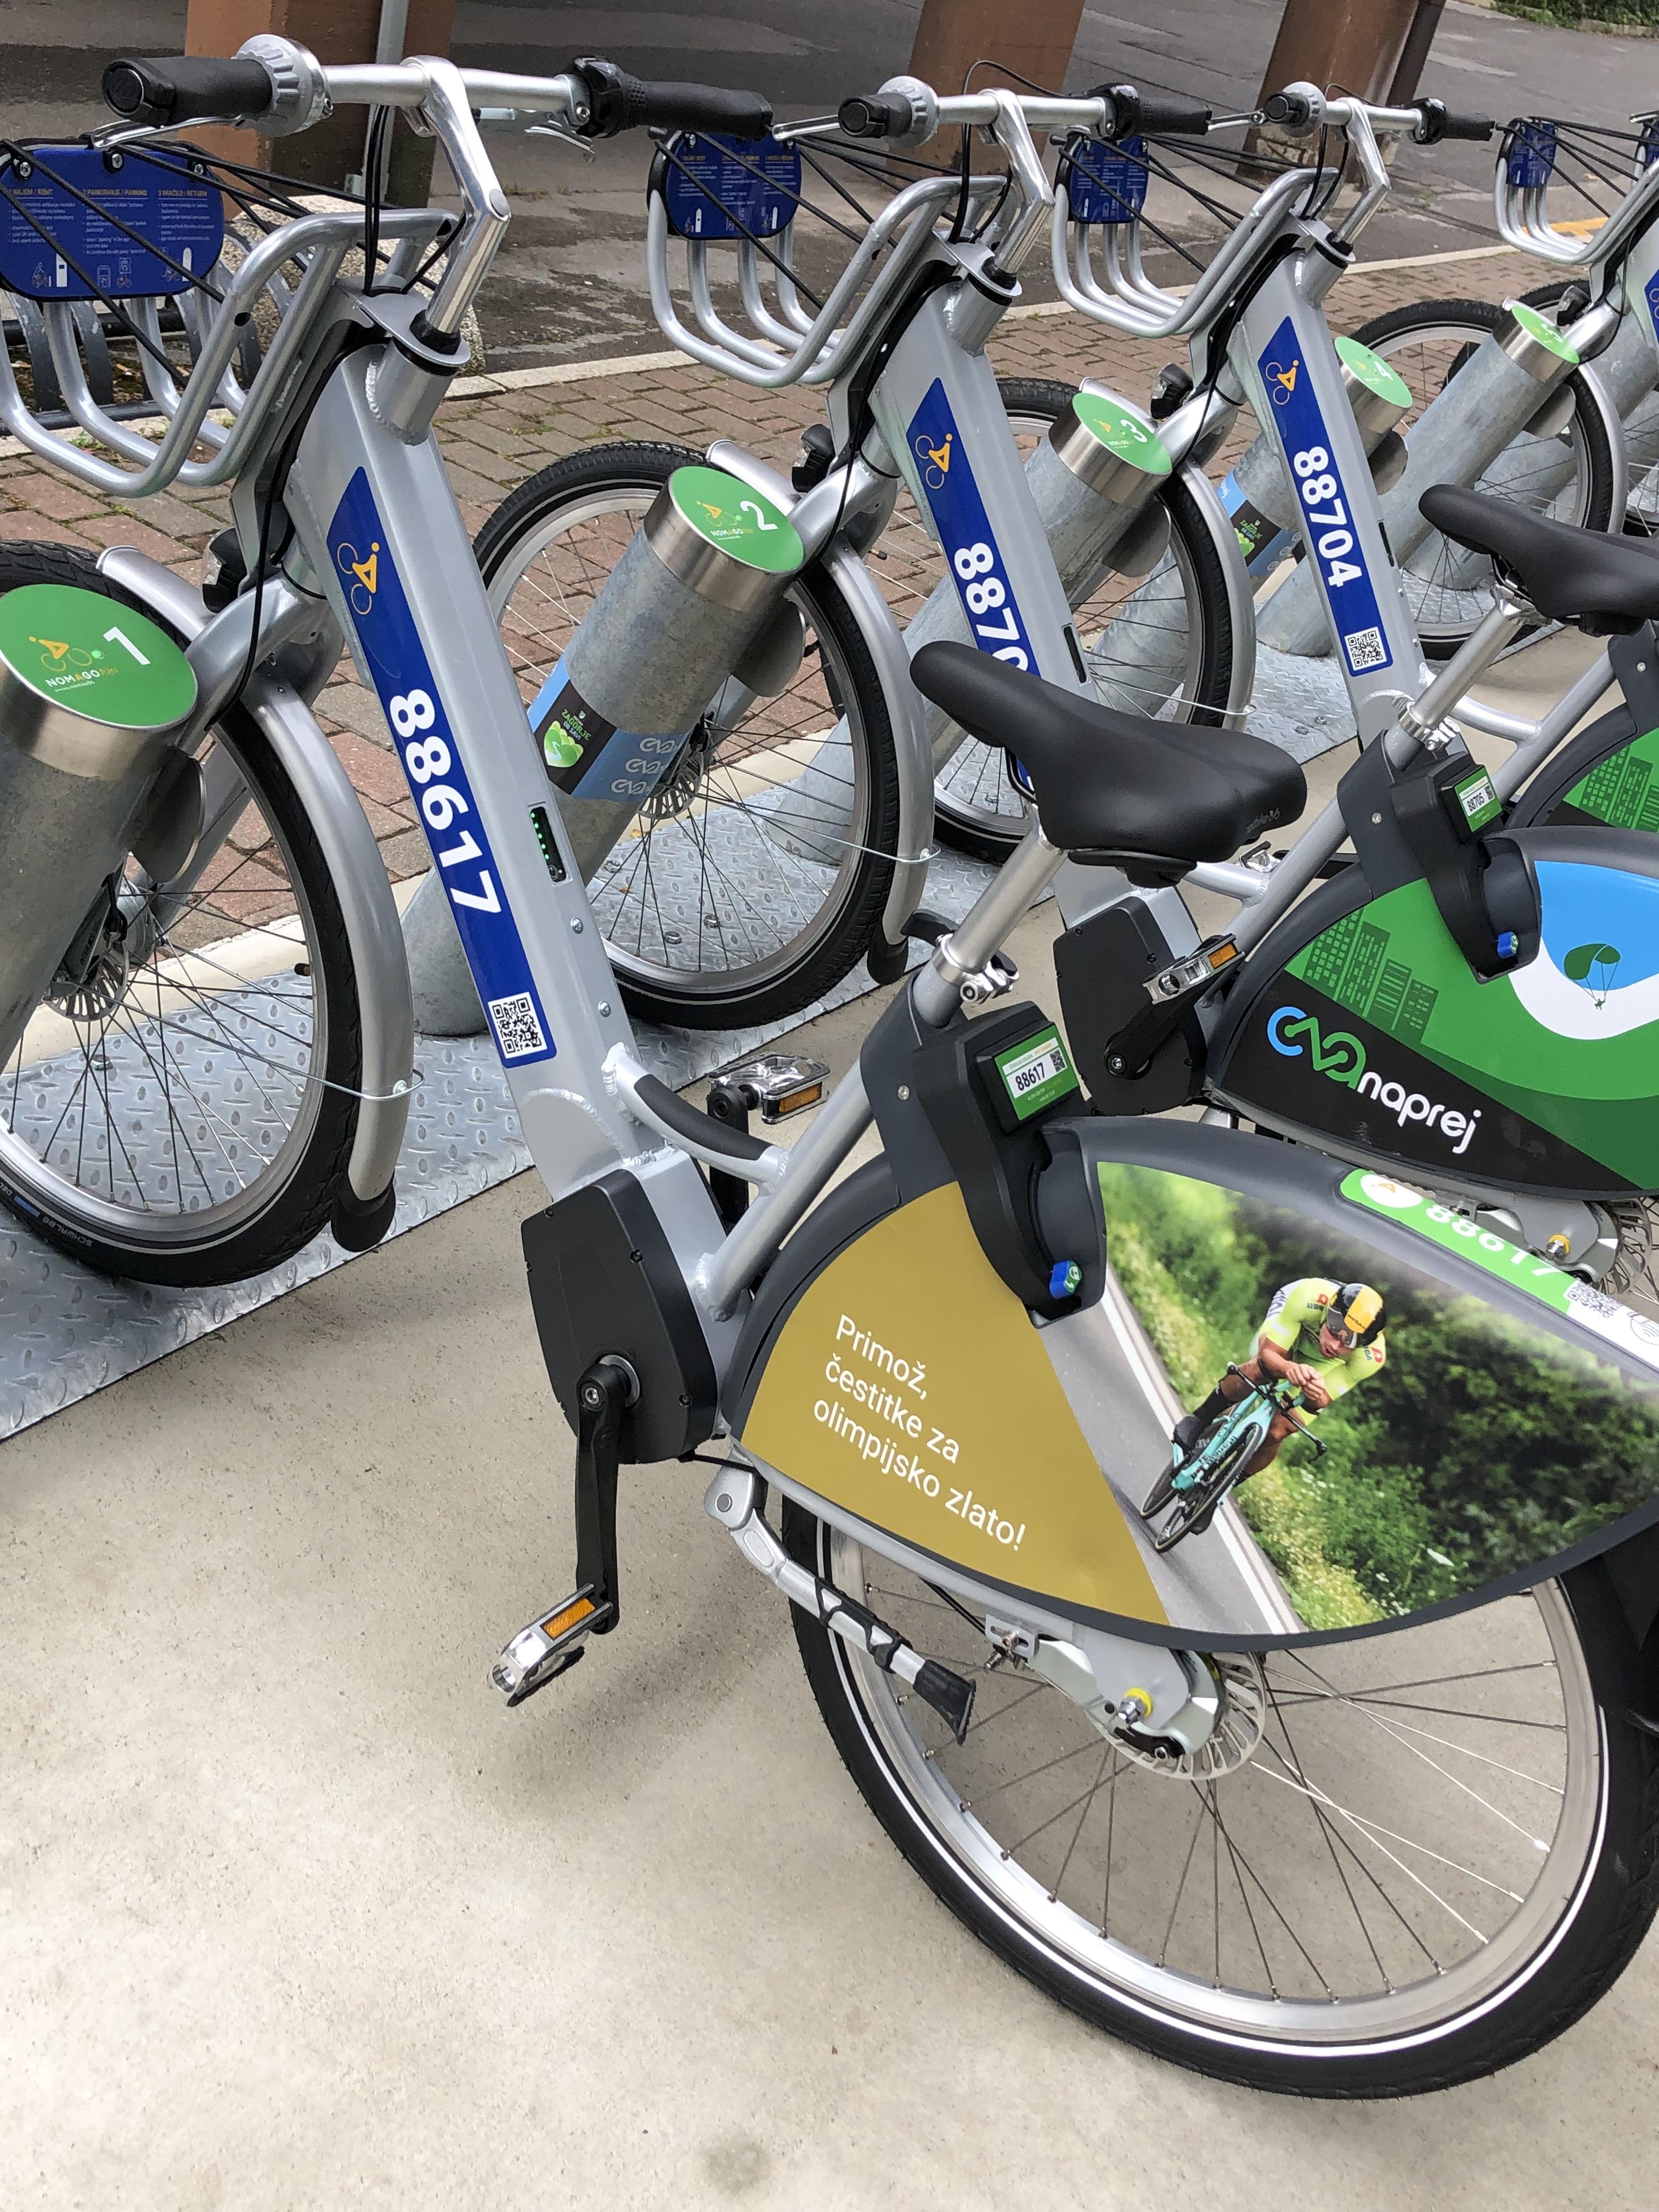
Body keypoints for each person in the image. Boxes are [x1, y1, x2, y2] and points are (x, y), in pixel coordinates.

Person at [1172, 1279, 1387, 1502]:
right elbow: (1268, 1355)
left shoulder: (1371, 1358)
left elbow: (1322, 1400)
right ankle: (1199, 1420)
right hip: (1296, 1319)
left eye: (1349, 1341)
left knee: (1278, 1431)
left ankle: (1221, 1488)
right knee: (1261, 1370)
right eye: (1334, 1329)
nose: (1335, 1345)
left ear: (1364, 1343)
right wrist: (1289, 1368)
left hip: (1326, 1365)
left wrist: (1313, 1393)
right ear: (1329, 1310)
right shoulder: (1308, 1297)